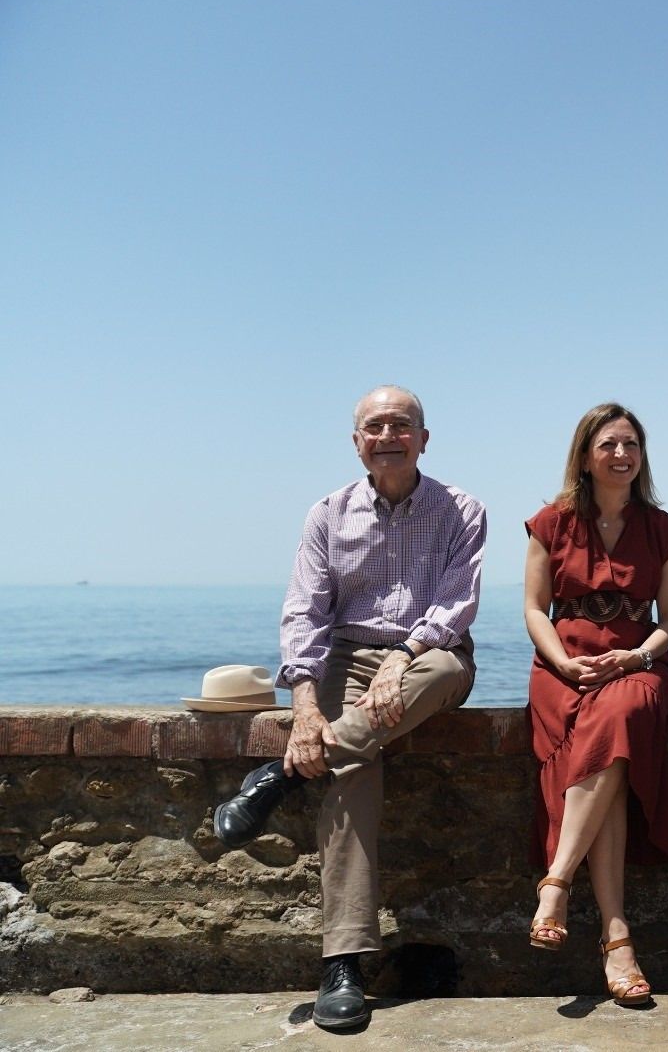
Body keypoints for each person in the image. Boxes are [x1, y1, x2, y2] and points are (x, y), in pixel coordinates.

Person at [213, 385, 485, 1031]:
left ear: (424, 438)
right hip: (346, 659)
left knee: (439, 667)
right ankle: (343, 963)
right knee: (350, 773)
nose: (388, 434)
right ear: (357, 441)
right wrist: (304, 707)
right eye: (375, 425)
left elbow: (455, 604)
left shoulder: (461, 509)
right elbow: (304, 612)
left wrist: (401, 658)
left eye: (401, 424)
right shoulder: (327, 515)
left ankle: (279, 777)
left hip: (430, 658)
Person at [523, 402, 668, 1007]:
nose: (622, 455)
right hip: (562, 668)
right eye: (609, 445)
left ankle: (556, 883)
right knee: (607, 764)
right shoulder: (550, 522)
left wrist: (636, 658)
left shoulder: (662, 529)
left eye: (631, 446)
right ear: (585, 456)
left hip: (636, 666)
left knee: (620, 717)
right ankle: (617, 939)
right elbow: (536, 610)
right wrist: (562, 662)